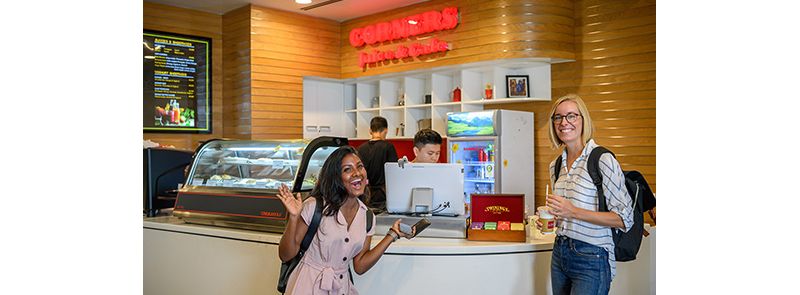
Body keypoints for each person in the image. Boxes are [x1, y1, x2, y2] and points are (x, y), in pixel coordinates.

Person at [276, 146, 413, 295]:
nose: (357, 173)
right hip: (306, 286)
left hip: (341, 288)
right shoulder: (314, 206)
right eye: (347, 169)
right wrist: (294, 218)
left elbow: (360, 266)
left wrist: (392, 235)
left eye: (359, 166)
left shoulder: (367, 216)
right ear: (336, 177)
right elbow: (286, 255)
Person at [542, 94, 634, 295]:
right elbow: (565, 216)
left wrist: (573, 211)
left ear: (583, 120)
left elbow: (624, 219)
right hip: (560, 252)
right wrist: (553, 221)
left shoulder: (602, 159)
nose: (564, 122)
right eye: (558, 117)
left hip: (592, 256)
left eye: (571, 116)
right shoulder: (555, 165)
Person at [357, 116, 398, 210]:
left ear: (370, 130)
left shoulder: (360, 148)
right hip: (383, 195)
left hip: (365, 194)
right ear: (386, 130)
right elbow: (395, 171)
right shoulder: (388, 147)